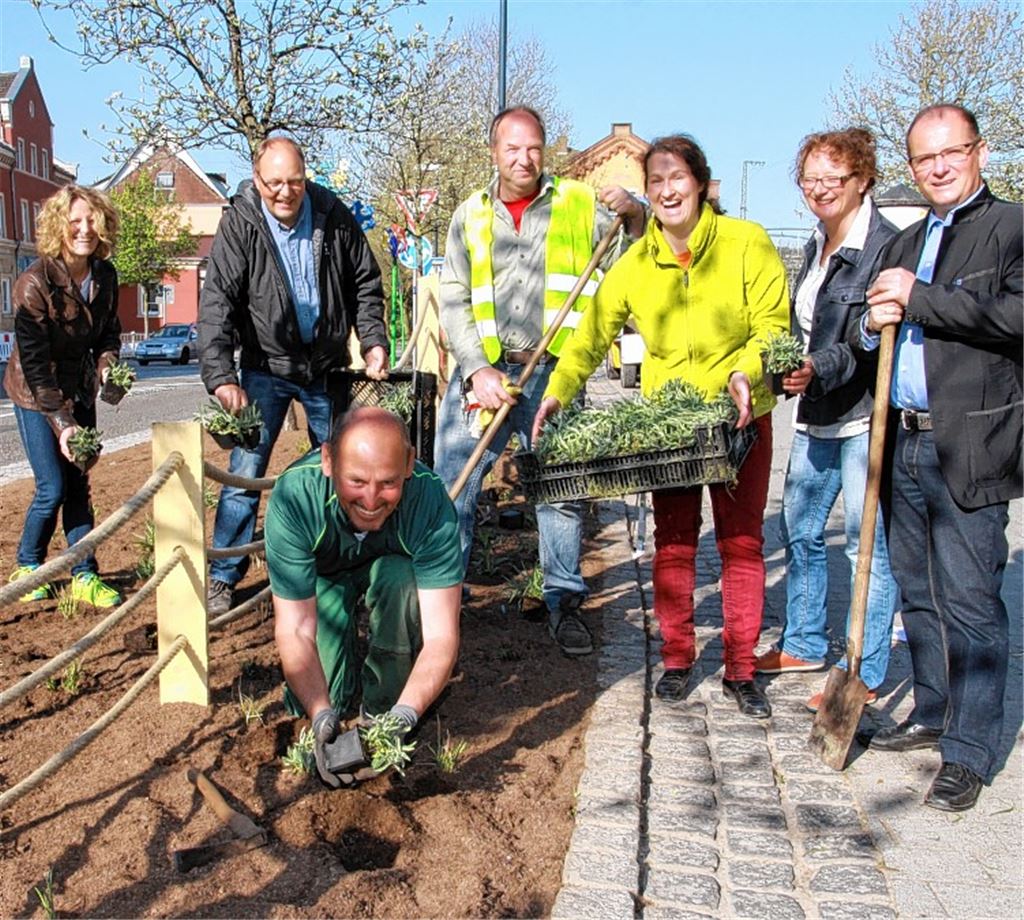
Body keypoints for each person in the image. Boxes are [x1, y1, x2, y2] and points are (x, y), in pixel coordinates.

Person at [533, 135, 790, 717]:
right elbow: (589, 337)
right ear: (647, 192)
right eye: (656, 182)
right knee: (672, 541)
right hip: (670, 425)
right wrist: (557, 392)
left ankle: (741, 668)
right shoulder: (635, 264)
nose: (667, 190)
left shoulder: (747, 244)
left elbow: (773, 326)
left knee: (741, 542)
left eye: (677, 178)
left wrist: (747, 374)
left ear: (699, 182)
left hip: (740, 416)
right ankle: (677, 657)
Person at [853, 104, 1022, 812]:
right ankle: (931, 710)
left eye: (951, 153)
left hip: (970, 442)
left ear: (979, 153)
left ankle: (970, 750)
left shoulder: (1012, 228)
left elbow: (1014, 317)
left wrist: (919, 300)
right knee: (917, 591)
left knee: (972, 601)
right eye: (924, 160)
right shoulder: (905, 238)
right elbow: (869, 334)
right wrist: (870, 322)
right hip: (901, 439)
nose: (939, 168)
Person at [434, 105, 645, 657]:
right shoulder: (469, 216)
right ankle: (440, 611)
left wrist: (637, 209)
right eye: (512, 148)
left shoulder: (577, 203)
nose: (523, 158)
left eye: (532, 148)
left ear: (544, 150)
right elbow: (453, 297)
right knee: (451, 487)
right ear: (494, 151)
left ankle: (564, 602)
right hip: (482, 374)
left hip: (553, 372)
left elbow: (630, 251)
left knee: (560, 491)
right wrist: (476, 368)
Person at [199, 136, 389, 616]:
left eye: (295, 182)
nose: (286, 192)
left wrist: (373, 341)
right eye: (275, 183)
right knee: (245, 471)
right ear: (257, 178)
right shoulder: (241, 223)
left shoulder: (331, 213)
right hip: (267, 368)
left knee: (346, 465)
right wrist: (222, 376)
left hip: (326, 367)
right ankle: (223, 576)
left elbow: (365, 282)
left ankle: (346, 563)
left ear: (307, 177)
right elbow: (217, 302)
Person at [754, 128, 899, 712]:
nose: (819, 189)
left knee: (867, 550)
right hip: (816, 413)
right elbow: (807, 328)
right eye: (810, 179)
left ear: (863, 179)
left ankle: (860, 669)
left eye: (832, 178)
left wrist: (818, 366)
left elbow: (867, 337)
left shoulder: (885, 245)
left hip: (865, 413)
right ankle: (805, 642)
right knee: (801, 529)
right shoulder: (816, 244)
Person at [265, 406, 463, 787]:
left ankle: (382, 710)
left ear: (409, 465)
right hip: (324, 576)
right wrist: (321, 714)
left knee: (401, 580)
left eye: (388, 483)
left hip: (391, 570)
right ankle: (327, 713)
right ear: (327, 460)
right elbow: (294, 630)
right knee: (321, 693)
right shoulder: (295, 497)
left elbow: (442, 637)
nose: (371, 499)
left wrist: (404, 716)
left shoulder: (430, 504)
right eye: (356, 481)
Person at [3, 186, 124, 609]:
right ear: (60, 227)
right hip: (36, 395)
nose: (85, 229)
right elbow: (34, 366)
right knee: (51, 486)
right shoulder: (34, 283)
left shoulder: (104, 276)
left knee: (78, 484)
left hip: (79, 390)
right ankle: (27, 566)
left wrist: (109, 366)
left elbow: (109, 332)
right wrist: (63, 424)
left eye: (92, 220)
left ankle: (84, 574)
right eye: (75, 222)